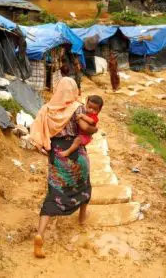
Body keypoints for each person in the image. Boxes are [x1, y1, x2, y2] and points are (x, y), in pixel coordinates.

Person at [29, 77, 97, 259]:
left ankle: (40, 234)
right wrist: (94, 128)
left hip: (57, 155)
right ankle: (82, 218)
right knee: (83, 185)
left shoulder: (47, 109)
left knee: (54, 192)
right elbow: (85, 127)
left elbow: (36, 134)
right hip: (76, 155)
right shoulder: (77, 107)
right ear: (73, 90)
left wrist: (47, 150)